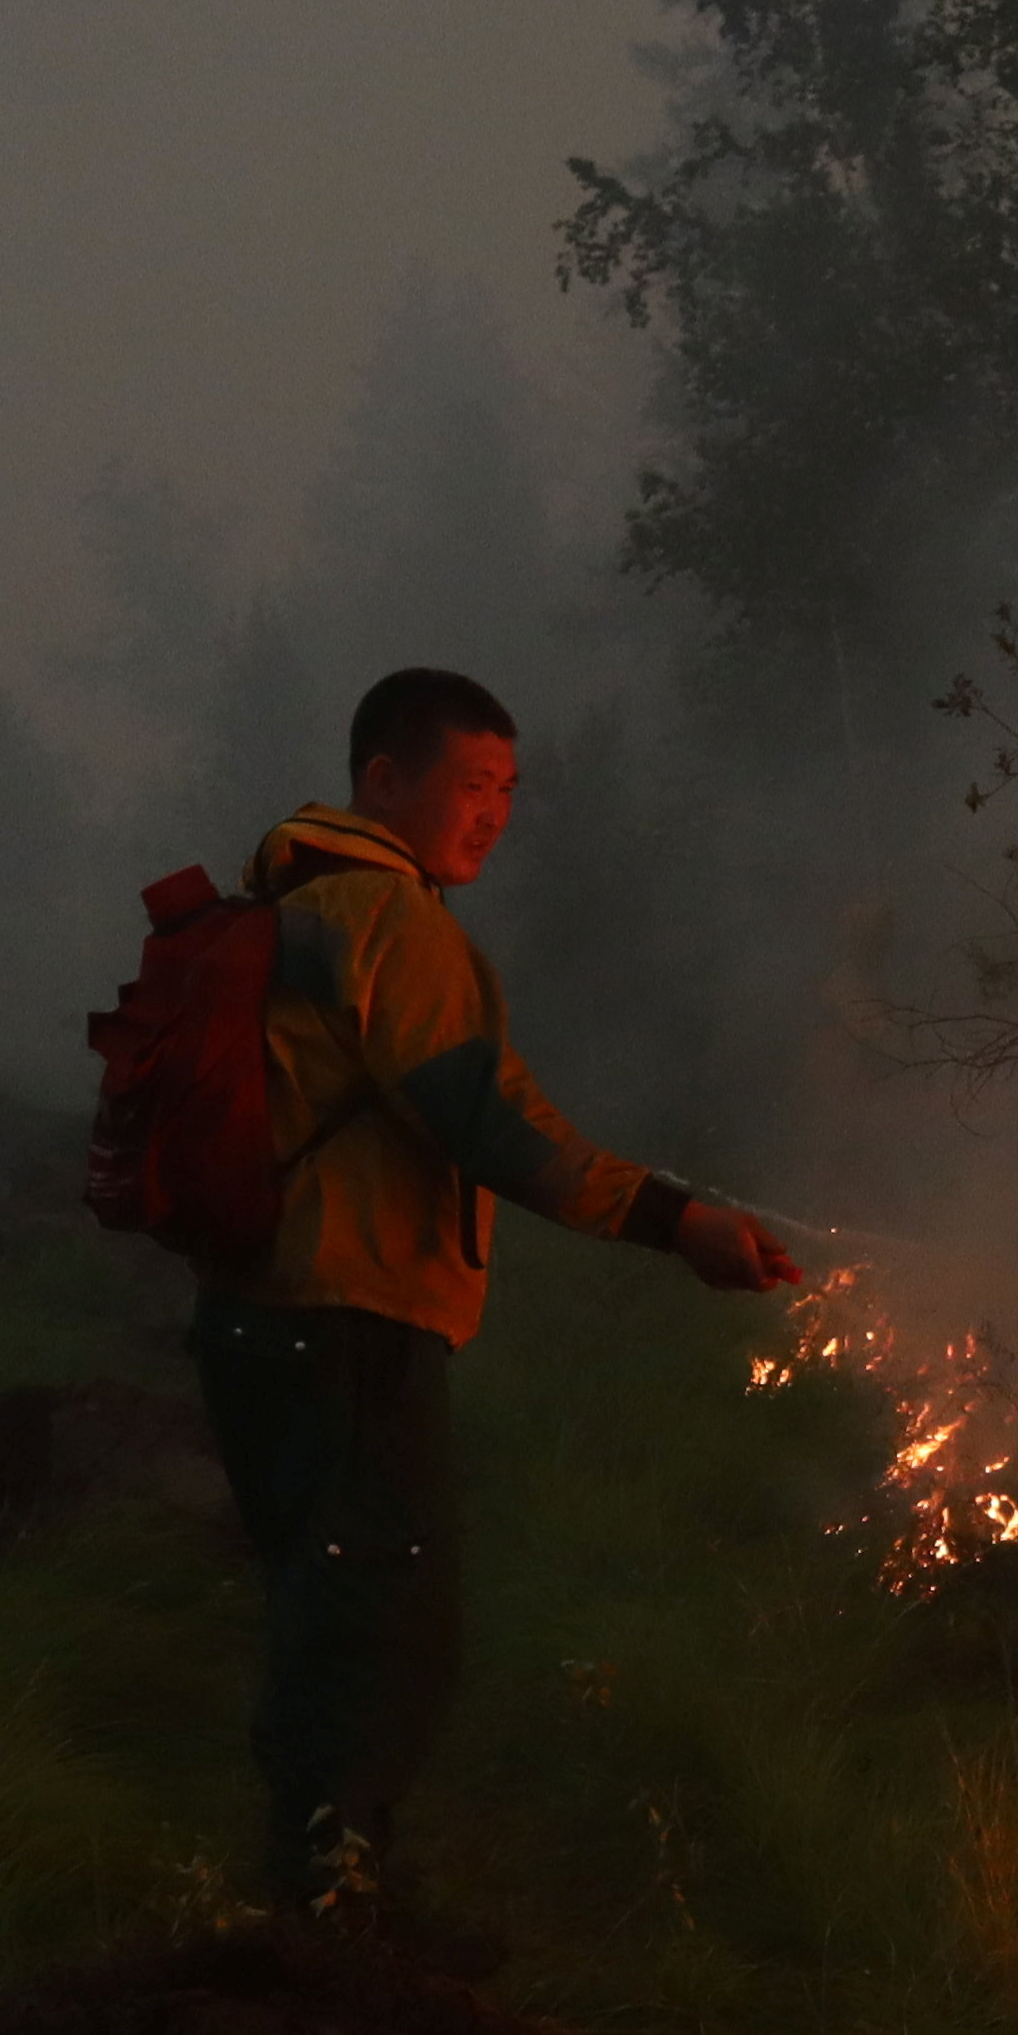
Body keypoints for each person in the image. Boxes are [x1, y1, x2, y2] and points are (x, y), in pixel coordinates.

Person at [194, 667, 803, 1924]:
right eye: (472, 786)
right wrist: (675, 1220)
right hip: (348, 1316)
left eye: (510, 792)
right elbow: (486, 1122)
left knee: (327, 1599)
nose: (495, 815)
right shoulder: (389, 921)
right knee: (384, 1615)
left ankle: (330, 1869)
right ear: (382, 780)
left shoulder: (283, 900)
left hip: (255, 1315)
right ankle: (333, 1901)